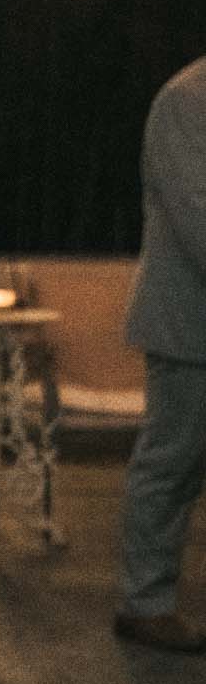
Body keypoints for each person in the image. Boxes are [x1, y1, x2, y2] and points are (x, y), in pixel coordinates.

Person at [117, 56, 206, 653]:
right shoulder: (186, 100)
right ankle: (145, 602)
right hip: (189, 325)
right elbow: (198, 216)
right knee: (172, 465)